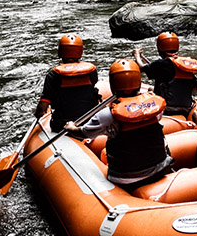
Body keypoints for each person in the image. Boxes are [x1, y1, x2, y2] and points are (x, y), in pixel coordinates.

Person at [64, 59, 174, 191]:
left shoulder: (106, 115)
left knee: (104, 153)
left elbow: (83, 134)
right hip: (161, 169)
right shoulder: (154, 107)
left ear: (113, 85)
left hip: (125, 178)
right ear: (139, 83)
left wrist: (71, 127)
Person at [34, 34, 101, 131]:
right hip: (90, 121)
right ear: (80, 51)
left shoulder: (53, 75)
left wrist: (38, 113)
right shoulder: (91, 71)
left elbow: (43, 107)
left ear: (60, 51)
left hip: (62, 124)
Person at [132, 31, 197, 116]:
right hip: (186, 109)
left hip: (166, 109)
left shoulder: (161, 64)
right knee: (151, 88)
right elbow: (195, 88)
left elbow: (141, 68)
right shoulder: (185, 64)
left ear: (159, 49)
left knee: (149, 91)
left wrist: (136, 55)